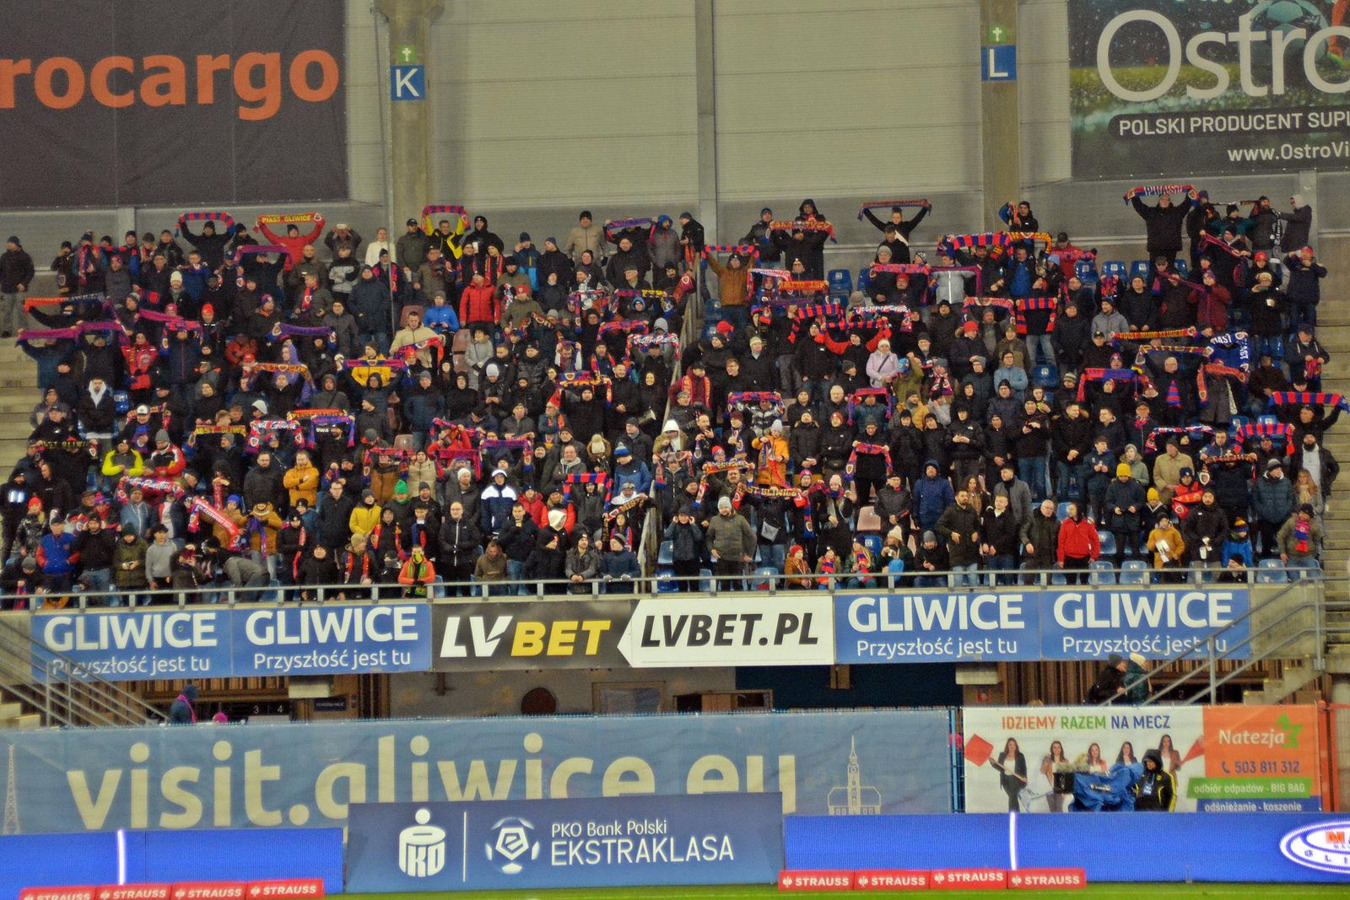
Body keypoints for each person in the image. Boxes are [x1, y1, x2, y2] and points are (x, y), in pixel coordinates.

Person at [994, 738, 1028, 812]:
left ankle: (1013, 815)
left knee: (1012, 796)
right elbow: (1000, 768)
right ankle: (1017, 815)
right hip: (1005, 781)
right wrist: (992, 763)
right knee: (1013, 798)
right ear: (1007, 746)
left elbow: (1024, 768)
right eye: (1010, 745)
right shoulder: (1002, 755)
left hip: (1016, 780)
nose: (1012, 747)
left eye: (1014, 745)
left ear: (1016, 746)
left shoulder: (1020, 756)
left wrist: (1024, 777)